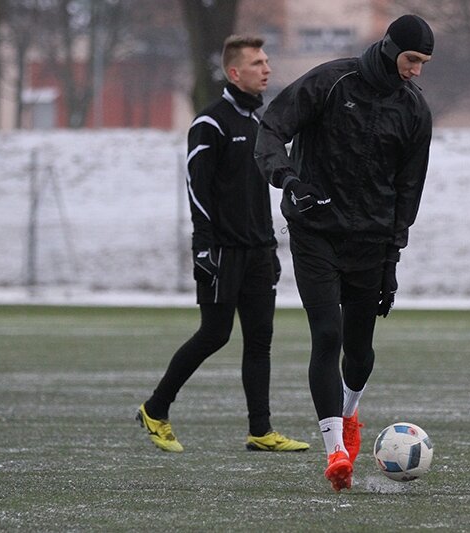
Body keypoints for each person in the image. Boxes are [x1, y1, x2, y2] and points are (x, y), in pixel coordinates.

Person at [254, 14, 434, 490]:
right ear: (389, 47)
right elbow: (271, 128)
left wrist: (392, 260)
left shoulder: (415, 111)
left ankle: (351, 414)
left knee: (359, 351)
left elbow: (408, 191)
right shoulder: (332, 81)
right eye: (411, 59)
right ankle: (335, 451)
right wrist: (288, 180)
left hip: (371, 243)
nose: (416, 70)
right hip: (315, 232)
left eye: (423, 63)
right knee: (326, 334)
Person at [136, 35, 309, 454]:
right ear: (234, 73)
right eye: (257, 63)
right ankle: (155, 409)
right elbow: (197, 190)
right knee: (214, 334)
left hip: (258, 251)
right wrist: (203, 245)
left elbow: (260, 188)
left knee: (260, 340)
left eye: (266, 61)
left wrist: (270, 246)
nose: (267, 69)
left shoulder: (260, 123)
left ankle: (260, 431)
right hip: (222, 250)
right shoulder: (210, 124)